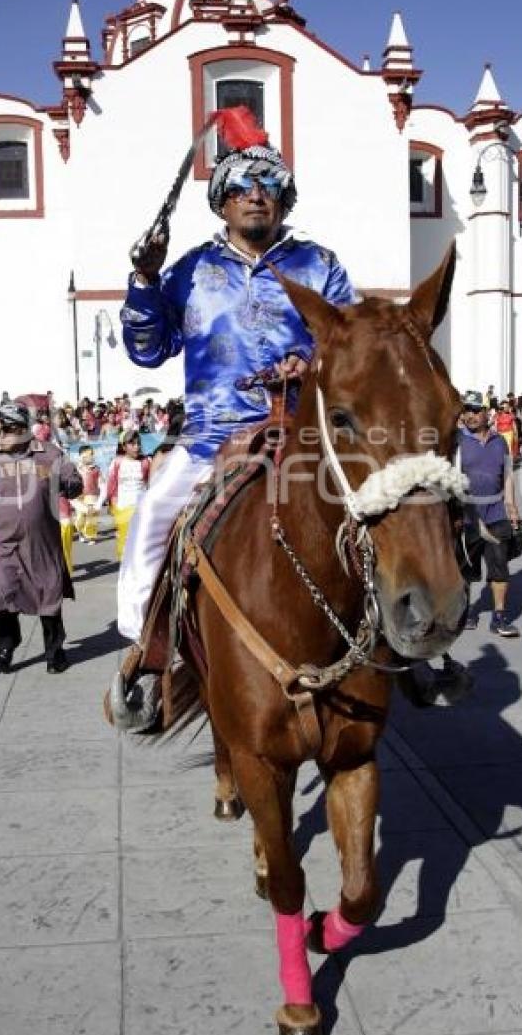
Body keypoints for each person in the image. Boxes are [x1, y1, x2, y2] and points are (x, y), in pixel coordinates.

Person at [106, 122, 355, 729]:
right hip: (211, 439)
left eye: (270, 183)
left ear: (284, 199)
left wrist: (316, 360)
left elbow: (352, 343)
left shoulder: (319, 265)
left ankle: (411, 645)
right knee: (150, 523)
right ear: (221, 197)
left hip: (307, 438)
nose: (256, 192)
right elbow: (147, 349)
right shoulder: (189, 270)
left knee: (396, 510)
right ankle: (146, 652)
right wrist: (144, 281)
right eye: (243, 183)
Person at [0, 401, 83, 674]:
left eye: (4, 431)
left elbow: (74, 481)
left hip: (42, 546)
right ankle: (7, 644)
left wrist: (65, 483)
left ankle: (54, 651)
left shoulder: (48, 454)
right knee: (1, 596)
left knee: (50, 599)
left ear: (23, 429)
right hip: (4, 545)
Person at [458, 391, 522, 638]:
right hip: (466, 516)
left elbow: (507, 475)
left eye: (476, 410)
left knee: (499, 566)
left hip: (496, 513)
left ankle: (499, 616)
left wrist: (512, 505)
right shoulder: (457, 441)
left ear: (487, 413)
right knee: (465, 570)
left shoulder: (499, 442)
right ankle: (467, 611)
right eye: (467, 411)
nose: (470, 415)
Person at [107, 428, 151, 561]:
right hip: (122, 507)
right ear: (124, 446)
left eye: (138, 444)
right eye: (132, 444)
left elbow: (150, 483)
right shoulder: (117, 462)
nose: (136, 447)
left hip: (140, 508)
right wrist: (113, 506)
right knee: (125, 544)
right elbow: (111, 486)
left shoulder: (146, 462)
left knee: (141, 543)